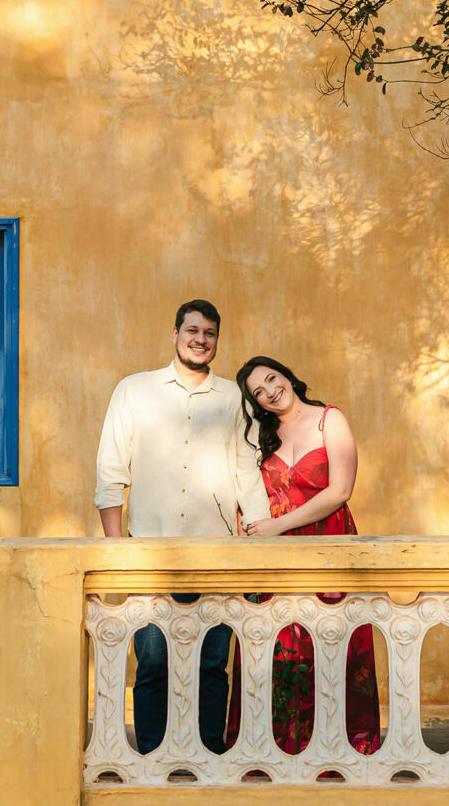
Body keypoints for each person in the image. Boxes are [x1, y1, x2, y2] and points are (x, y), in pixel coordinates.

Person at [95, 299, 272, 755]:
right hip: (148, 553)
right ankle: (153, 753)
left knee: (213, 664)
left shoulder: (232, 398)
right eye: (192, 330)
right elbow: (112, 470)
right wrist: (117, 551)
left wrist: (259, 537)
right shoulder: (134, 391)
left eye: (209, 333)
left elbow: (246, 470)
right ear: (174, 334)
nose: (200, 339)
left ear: (216, 340)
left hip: (218, 554)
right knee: (153, 662)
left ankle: (209, 753)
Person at [227, 355, 382, 755]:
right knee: (275, 648)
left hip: (328, 547)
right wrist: (247, 522)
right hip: (273, 557)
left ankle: (338, 748)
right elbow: (244, 486)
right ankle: (271, 747)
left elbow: (340, 491)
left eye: (272, 379)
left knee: (332, 643)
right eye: (258, 392)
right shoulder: (260, 435)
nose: (269, 392)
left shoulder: (329, 420)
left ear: (289, 377)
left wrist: (280, 525)